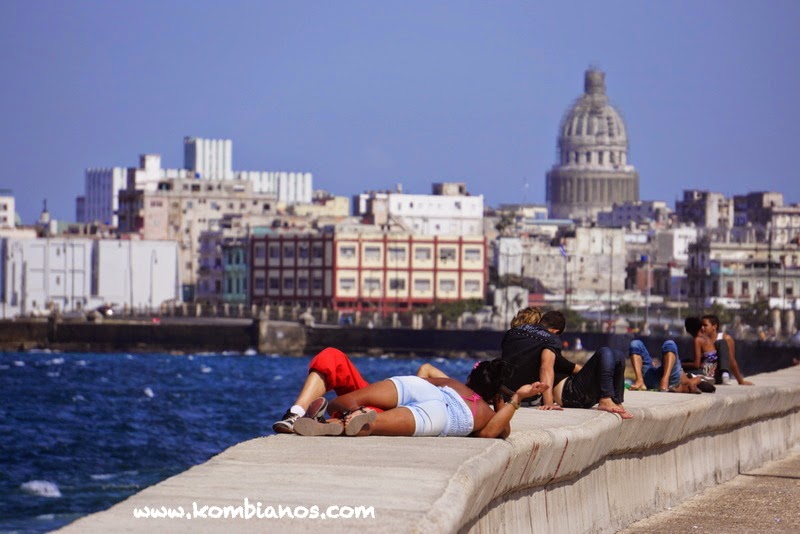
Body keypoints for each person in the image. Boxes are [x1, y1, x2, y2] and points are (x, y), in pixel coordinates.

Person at [293, 360, 549, 438]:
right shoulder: (484, 413)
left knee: (346, 399)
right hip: (442, 416)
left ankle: (333, 418)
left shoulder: (455, 384)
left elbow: (426, 370)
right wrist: (513, 398)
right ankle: (350, 423)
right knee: (374, 427)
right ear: (495, 393)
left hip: (421, 389)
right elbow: (498, 431)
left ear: (473, 376)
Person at [273, 347, 453, 434]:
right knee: (332, 356)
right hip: (380, 396)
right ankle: (295, 414)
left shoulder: (470, 413)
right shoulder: (459, 395)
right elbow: (426, 369)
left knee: (361, 420)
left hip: (394, 415)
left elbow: (426, 369)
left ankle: (319, 425)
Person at [500, 309, 632, 419]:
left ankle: (616, 401)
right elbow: (546, 368)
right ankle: (607, 398)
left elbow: (566, 366)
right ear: (555, 331)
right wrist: (548, 402)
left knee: (616, 355)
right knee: (607, 352)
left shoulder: (513, 333)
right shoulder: (550, 339)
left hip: (509, 389)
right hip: (571, 394)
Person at [628, 339, 713, 393]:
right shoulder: (693, 379)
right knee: (636, 343)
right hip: (660, 379)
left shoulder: (691, 380)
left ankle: (645, 380)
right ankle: (642, 381)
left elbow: (696, 381)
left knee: (669, 344)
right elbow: (699, 381)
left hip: (668, 380)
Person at [701, 314, 753, 386]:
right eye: (701, 326)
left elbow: (731, 360)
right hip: (705, 373)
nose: (702, 328)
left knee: (721, 343)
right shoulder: (701, 340)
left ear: (714, 327)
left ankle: (725, 375)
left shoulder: (725, 338)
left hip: (717, 375)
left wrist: (740, 381)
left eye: (705, 325)